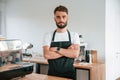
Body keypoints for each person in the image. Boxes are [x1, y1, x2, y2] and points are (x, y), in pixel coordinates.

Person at [42, 5, 80, 80]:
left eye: (64, 16)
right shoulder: (48, 35)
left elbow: (75, 54)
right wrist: (68, 52)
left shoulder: (74, 35)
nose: (61, 19)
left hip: (69, 76)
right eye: (58, 17)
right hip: (52, 76)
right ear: (54, 19)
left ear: (67, 18)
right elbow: (47, 55)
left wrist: (57, 49)